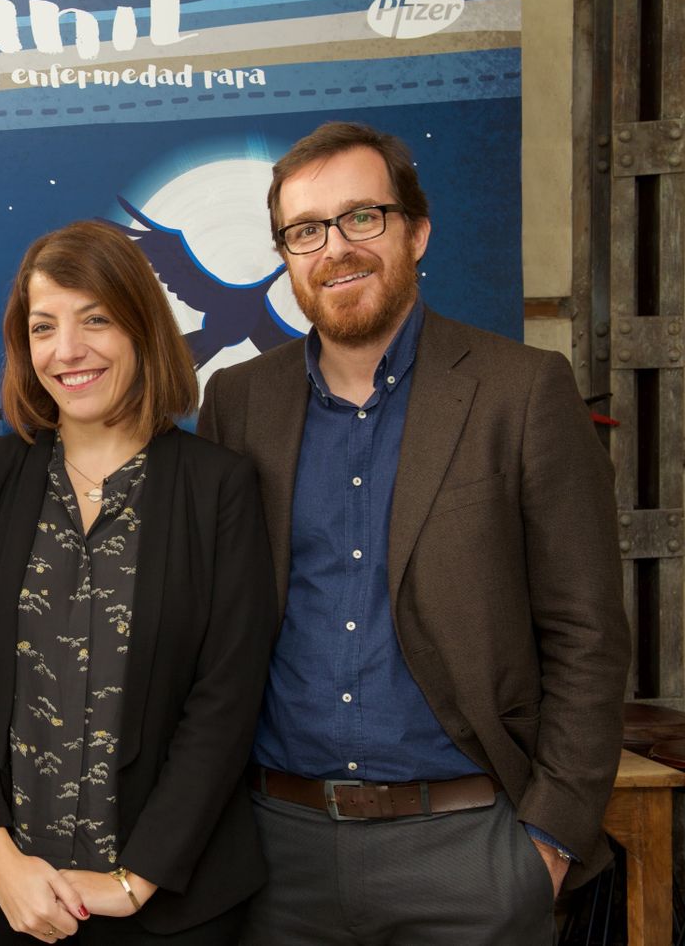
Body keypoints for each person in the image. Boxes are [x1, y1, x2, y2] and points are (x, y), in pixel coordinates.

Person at [196, 121, 630, 946]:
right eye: (306, 231)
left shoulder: (522, 392)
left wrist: (547, 842)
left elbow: (588, 633)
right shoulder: (238, 405)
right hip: (276, 858)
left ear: (417, 232)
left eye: (363, 217)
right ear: (285, 256)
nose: (336, 249)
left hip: (471, 856)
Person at [0, 220, 276, 945]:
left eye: (95, 320)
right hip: (1, 901)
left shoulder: (220, 488)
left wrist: (133, 880)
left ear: (142, 328)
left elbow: (226, 699)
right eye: (43, 327)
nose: (67, 350)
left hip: (171, 907)